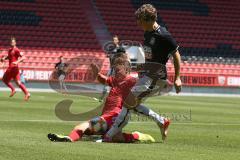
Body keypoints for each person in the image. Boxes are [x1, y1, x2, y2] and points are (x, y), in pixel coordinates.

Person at [103, 4, 182, 142]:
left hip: (155, 78)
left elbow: (176, 55)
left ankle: (109, 136)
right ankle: (162, 121)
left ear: (148, 20)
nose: (138, 23)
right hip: (147, 75)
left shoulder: (164, 35)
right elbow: (149, 54)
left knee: (128, 102)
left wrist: (177, 78)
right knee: (133, 105)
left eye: (140, 20)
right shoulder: (148, 33)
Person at [47, 53, 155, 143]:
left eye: (118, 69)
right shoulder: (116, 80)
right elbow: (104, 80)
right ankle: (69, 138)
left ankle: (137, 136)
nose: (115, 71)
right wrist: (96, 73)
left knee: (88, 127)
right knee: (89, 131)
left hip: (114, 116)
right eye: (115, 69)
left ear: (126, 68)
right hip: (106, 117)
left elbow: (146, 88)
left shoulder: (131, 80)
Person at [98, 35, 127, 102]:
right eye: (113, 40)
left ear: (118, 41)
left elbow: (124, 57)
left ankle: (119, 98)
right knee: (107, 82)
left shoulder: (120, 49)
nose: (114, 41)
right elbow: (108, 56)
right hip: (112, 69)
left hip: (118, 69)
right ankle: (102, 98)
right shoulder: (111, 49)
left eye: (116, 40)